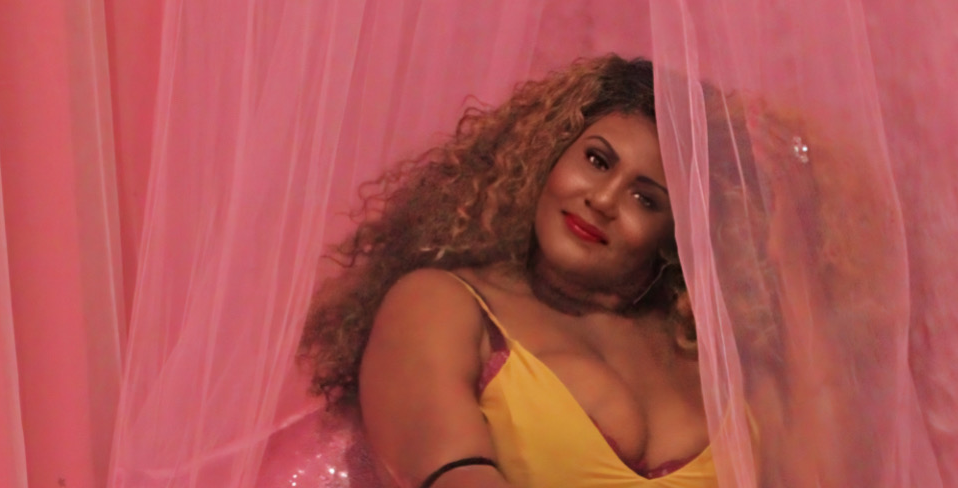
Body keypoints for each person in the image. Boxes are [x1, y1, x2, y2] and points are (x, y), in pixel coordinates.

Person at [299, 55, 714, 488]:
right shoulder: (439, 305)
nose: (604, 200)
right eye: (597, 161)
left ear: (676, 237)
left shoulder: (706, 355)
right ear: (549, 154)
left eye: (645, 199)